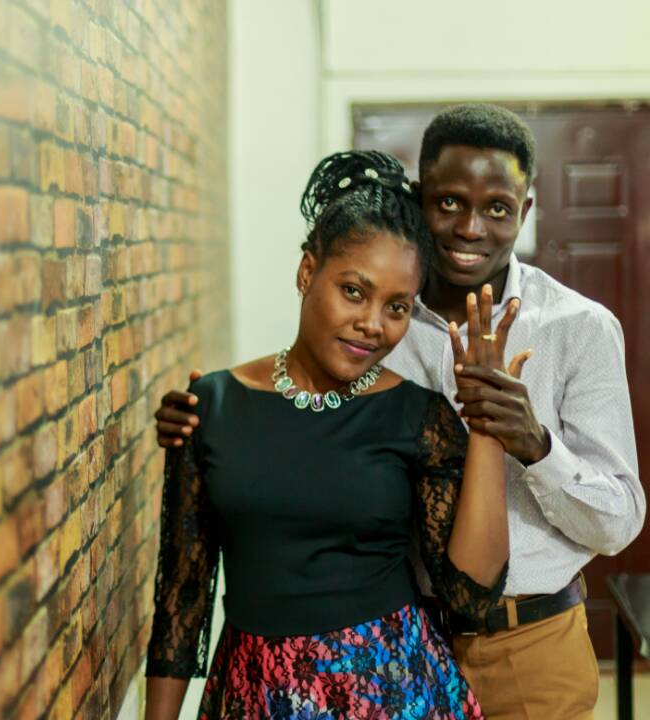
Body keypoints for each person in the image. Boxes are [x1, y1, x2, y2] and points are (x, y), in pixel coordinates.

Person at [155, 104, 645, 719]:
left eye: (497, 208)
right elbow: (298, 415)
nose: (471, 228)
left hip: (527, 644)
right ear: (420, 198)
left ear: (523, 211)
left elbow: (618, 524)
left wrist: (534, 444)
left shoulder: (579, 328)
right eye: (449, 203)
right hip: (398, 638)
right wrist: (206, 416)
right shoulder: (379, 327)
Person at [145, 149, 521, 720]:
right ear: (307, 272)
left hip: (390, 691)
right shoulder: (210, 407)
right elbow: (182, 594)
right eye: (354, 291)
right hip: (255, 693)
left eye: (397, 307)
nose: (372, 324)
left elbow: (471, 592)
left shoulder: (418, 416)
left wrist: (485, 418)